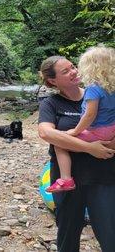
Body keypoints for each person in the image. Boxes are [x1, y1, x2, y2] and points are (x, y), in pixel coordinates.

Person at [38, 55, 115, 251]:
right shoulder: (51, 103)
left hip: (103, 177)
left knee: (110, 235)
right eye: (66, 71)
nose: (74, 71)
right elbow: (46, 133)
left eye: (73, 67)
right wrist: (90, 148)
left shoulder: (100, 90)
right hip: (67, 182)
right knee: (68, 236)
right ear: (52, 81)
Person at [47, 46, 115, 193]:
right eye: (66, 71)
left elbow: (90, 115)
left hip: (99, 131)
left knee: (60, 143)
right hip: (111, 129)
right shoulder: (111, 88)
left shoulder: (93, 89)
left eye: (76, 67)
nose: (77, 71)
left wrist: (75, 131)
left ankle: (66, 179)